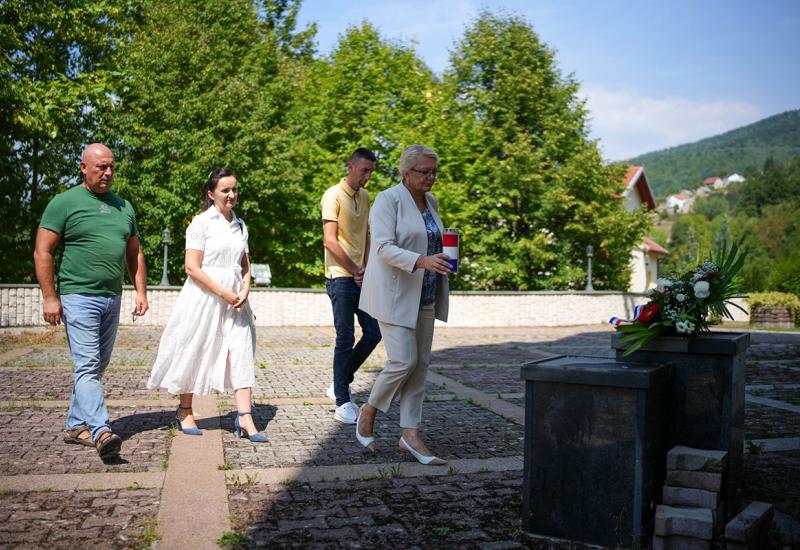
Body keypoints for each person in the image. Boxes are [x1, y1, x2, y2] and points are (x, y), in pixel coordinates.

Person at [34, 143, 149, 460]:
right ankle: (101, 431)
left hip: (112, 297)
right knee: (86, 367)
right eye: (101, 167)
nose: (108, 173)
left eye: (112, 167)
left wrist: (141, 291)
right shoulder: (65, 203)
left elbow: (134, 252)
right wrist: (49, 297)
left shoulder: (123, 206)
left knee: (96, 367)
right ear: (83, 167)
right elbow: (43, 251)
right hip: (77, 296)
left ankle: (74, 426)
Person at [147, 168, 266, 443]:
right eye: (226, 190)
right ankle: (185, 410)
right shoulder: (200, 224)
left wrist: (245, 288)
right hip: (205, 298)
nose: (232, 195)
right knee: (195, 349)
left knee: (241, 351)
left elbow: (244, 264)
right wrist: (224, 293)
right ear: (211, 194)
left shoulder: (241, 225)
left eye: (235, 189)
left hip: (237, 302)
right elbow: (192, 268)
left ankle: (245, 416)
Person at [356, 144, 451, 465]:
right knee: (403, 361)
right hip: (393, 293)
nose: (431, 177)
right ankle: (368, 411)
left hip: (426, 293)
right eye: (424, 171)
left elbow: (432, 239)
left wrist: (445, 258)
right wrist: (422, 260)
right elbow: (383, 247)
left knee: (420, 366)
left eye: (434, 172)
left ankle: (410, 434)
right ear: (406, 172)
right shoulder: (388, 199)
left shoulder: (432, 202)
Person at [321, 148, 382, 424]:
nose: (367, 176)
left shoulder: (366, 197)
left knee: (373, 332)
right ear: (350, 167)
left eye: (371, 171)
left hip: (360, 275)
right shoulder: (332, 195)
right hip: (339, 275)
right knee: (345, 337)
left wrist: (366, 269)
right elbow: (330, 241)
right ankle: (342, 401)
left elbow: (366, 235)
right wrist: (355, 269)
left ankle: (339, 381)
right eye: (363, 170)